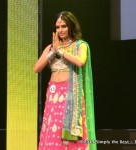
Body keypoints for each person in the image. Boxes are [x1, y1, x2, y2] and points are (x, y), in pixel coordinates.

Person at [34, 11, 97, 150]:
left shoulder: (80, 45)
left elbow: (80, 62)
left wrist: (61, 51)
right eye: (57, 27)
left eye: (64, 26)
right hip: (53, 94)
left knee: (67, 130)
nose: (60, 30)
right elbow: (36, 68)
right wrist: (53, 51)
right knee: (52, 129)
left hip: (70, 94)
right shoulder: (50, 47)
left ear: (71, 26)